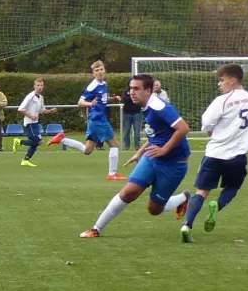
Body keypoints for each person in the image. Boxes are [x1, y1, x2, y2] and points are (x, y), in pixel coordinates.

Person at [79, 73, 191, 238]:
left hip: (174, 164)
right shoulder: (145, 107)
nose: (132, 92)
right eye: (131, 88)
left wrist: (164, 150)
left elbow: (183, 128)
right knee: (128, 192)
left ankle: (183, 197)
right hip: (152, 157)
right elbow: (157, 135)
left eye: (136, 89)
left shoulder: (160, 107)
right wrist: (139, 153)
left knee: (154, 210)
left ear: (148, 90)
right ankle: (96, 229)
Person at [180, 64, 248, 243]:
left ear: (233, 80)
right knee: (233, 186)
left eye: (222, 80)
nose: (219, 85)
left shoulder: (221, 100)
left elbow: (206, 123)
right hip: (238, 157)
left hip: (214, 154)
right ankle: (219, 204)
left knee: (201, 191)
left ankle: (187, 225)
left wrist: (213, 129)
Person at [48, 60, 126, 180]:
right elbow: (80, 102)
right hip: (98, 118)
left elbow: (102, 99)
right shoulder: (92, 86)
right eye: (96, 70)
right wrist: (90, 104)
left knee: (87, 150)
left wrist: (113, 98)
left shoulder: (103, 84)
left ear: (104, 70)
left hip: (95, 120)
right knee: (114, 145)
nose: (99, 72)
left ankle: (62, 139)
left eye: (101, 69)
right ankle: (112, 174)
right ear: (93, 73)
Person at [13, 78, 57, 166]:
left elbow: (42, 110)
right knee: (37, 141)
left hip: (35, 123)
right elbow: (21, 109)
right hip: (29, 123)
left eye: (41, 85)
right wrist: (31, 116)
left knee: (38, 142)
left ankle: (26, 159)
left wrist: (51, 111)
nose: (39, 87)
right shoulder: (30, 96)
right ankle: (19, 142)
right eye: (38, 85)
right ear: (34, 86)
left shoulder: (41, 98)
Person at [122, 78, 142, 151]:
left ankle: (137, 146)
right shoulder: (126, 91)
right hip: (127, 113)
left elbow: (139, 99)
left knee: (137, 130)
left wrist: (131, 98)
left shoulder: (138, 91)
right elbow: (124, 99)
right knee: (127, 130)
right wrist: (131, 97)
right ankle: (127, 145)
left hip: (137, 113)